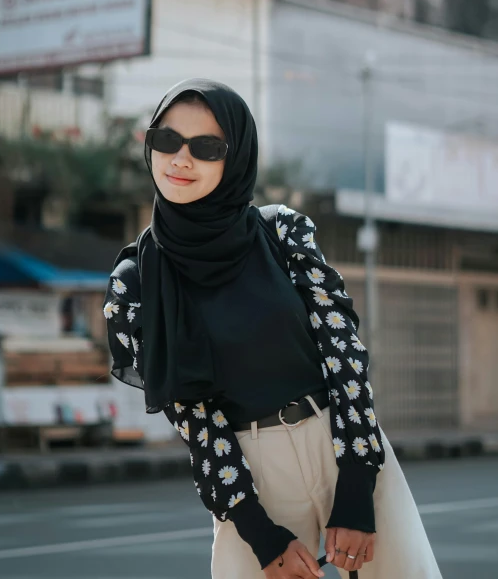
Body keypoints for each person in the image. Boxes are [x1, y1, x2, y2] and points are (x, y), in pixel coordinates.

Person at [104, 78, 442, 579]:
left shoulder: (282, 232)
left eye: (207, 147)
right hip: (248, 480)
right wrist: (259, 533)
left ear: (235, 157)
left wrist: (356, 487)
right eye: (166, 140)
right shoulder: (134, 283)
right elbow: (195, 419)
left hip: (342, 445)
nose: (180, 159)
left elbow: (343, 355)